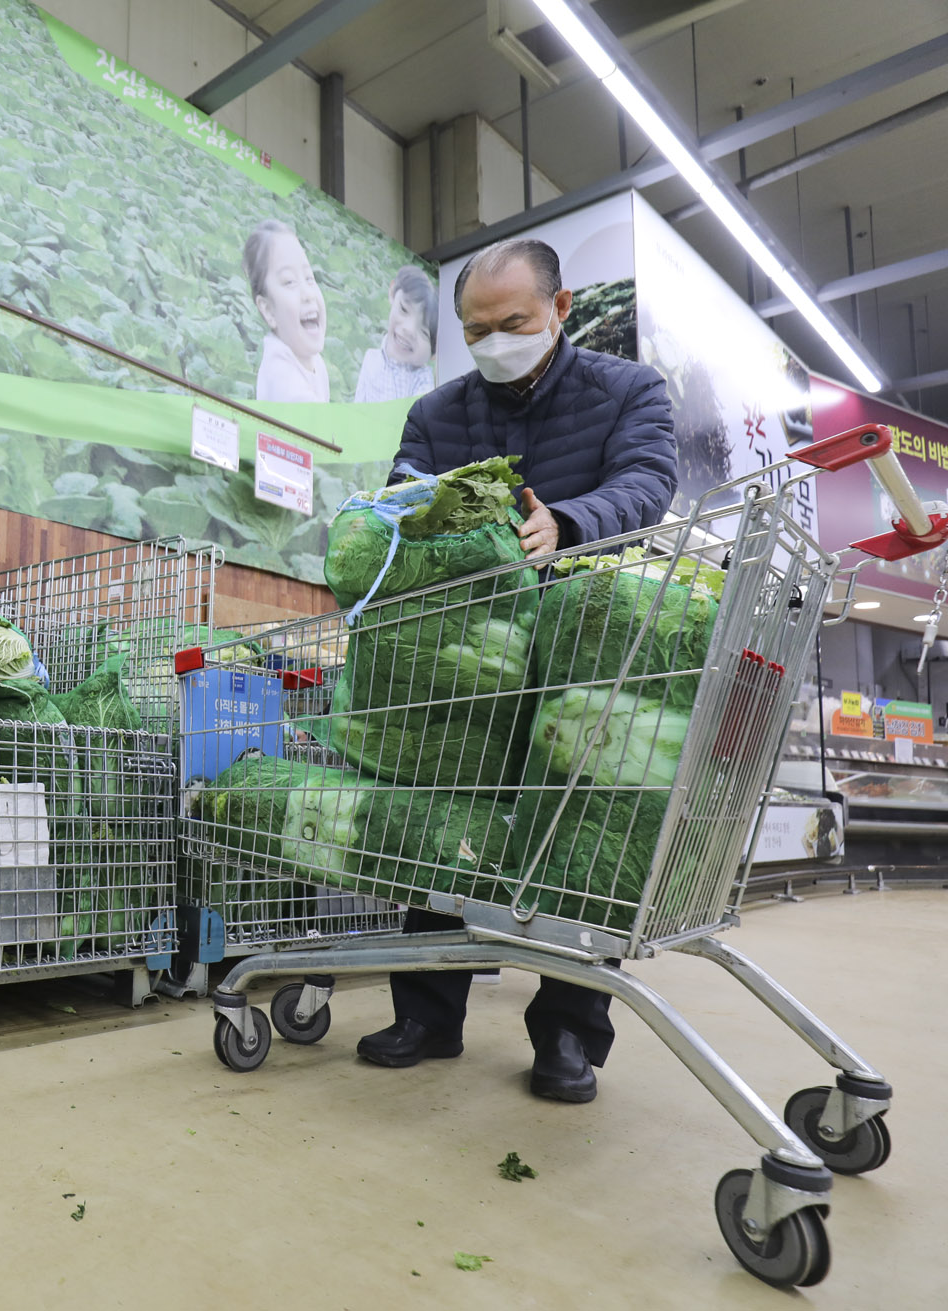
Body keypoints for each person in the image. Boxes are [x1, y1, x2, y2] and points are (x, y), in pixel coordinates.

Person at [355, 237, 677, 1104]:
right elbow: (403, 510)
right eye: (477, 329)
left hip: (586, 649)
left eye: (515, 323)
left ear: (560, 309)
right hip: (471, 655)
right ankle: (427, 1011)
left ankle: (569, 1032)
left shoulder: (628, 391)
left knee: (580, 835)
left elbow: (648, 481)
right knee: (440, 815)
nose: (496, 341)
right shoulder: (437, 413)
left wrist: (566, 523)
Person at [243, 219, 329, 403]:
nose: (308, 294)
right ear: (268, 311)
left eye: (309, 278)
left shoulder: (316, 362)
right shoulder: (279, 373)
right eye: (289, 281)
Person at [353, 265, 436, 402]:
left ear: (434, 353)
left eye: (423, 331)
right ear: (392, 292)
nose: (409, 329)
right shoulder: (371, 359)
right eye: (404, 309)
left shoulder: (423, 380)